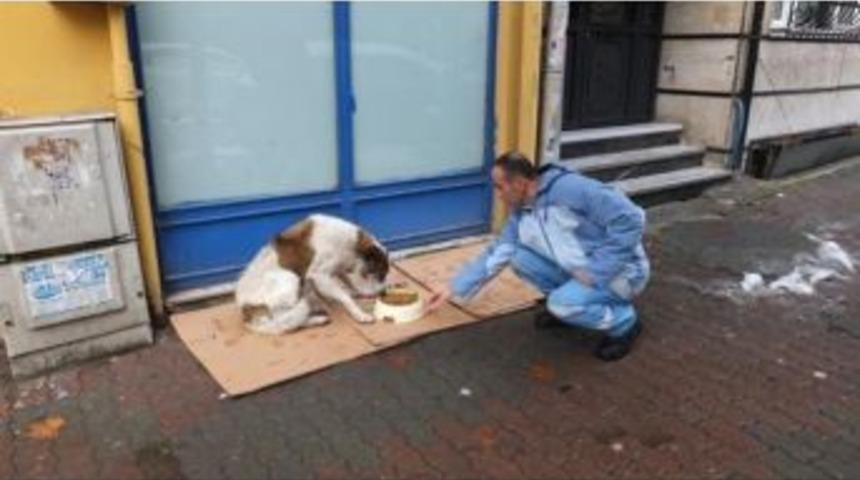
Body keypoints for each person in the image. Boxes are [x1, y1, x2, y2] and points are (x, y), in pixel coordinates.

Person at [427, 151, 650, 361]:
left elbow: (631, 219)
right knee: (518, 257)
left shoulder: (572, 189)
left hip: (623, 274)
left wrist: (598, 271)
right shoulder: (522, 209)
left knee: (562, 304)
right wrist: (453, 288)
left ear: (519, 183)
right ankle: (567, 306)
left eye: (499, 187)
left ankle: (625, 323)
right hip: (580, 271)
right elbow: (499, 250)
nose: (498, 195)